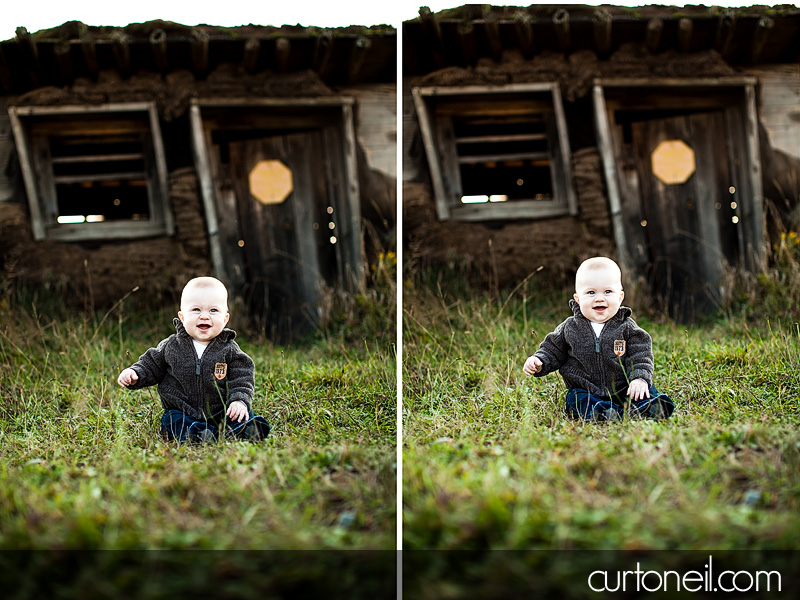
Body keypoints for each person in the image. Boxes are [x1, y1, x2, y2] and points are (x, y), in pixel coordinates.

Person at [117, 276, 271, 442]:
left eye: (213, 311)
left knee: (238, 415)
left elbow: (242, 377)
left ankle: (247, 428)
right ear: (182, 317)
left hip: (220, 410)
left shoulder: (229, 349)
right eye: (196, 310)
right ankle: (197, 433)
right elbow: (151, 364)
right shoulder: (171, 346)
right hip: (181, 410)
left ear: (225, 319)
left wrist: (239, 400)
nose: (204, 316)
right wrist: (135, 373)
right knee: (172, 421)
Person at [523, 257, 674, 422]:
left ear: (620, 297)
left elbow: (641, 354)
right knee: (575, 399)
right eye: (591, 292)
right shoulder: (569, 327)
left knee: (643, 390)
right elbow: (552, 350)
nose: (600, 298)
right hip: (586, 389)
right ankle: (602, 412)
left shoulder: (626, 327)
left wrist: (639, 378)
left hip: (624, 388)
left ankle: (650, 405)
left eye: (608, 292)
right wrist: (539, 360)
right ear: (578, 299)